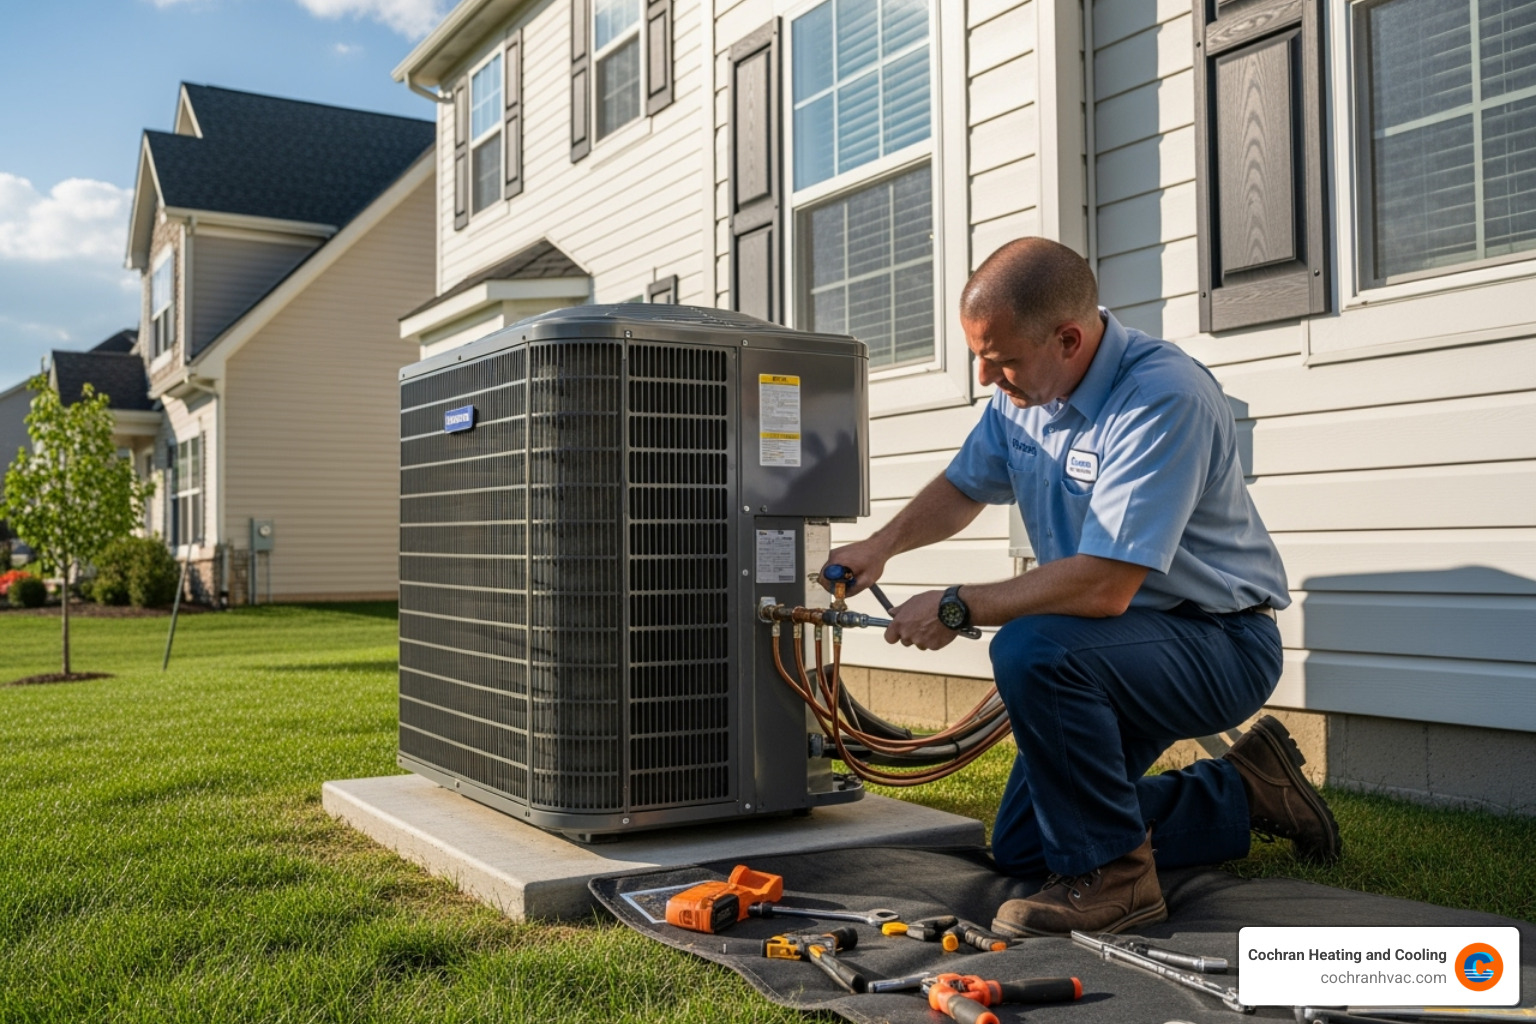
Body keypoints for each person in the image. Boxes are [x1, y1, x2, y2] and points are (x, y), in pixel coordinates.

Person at [824, 238, 1341, 938]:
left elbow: (1104, 586)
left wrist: (957, 606)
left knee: (1035, 648)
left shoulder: (1161, 398)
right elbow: (964, 485)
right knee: (1027, 845)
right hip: (1111, 650)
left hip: (1216, 643)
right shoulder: (1024, 395)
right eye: (978, 354)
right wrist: (880, 546)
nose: (984, 376)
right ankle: (1244, 789)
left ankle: (1118, 882)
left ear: (1069, 338)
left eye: (999, 358)